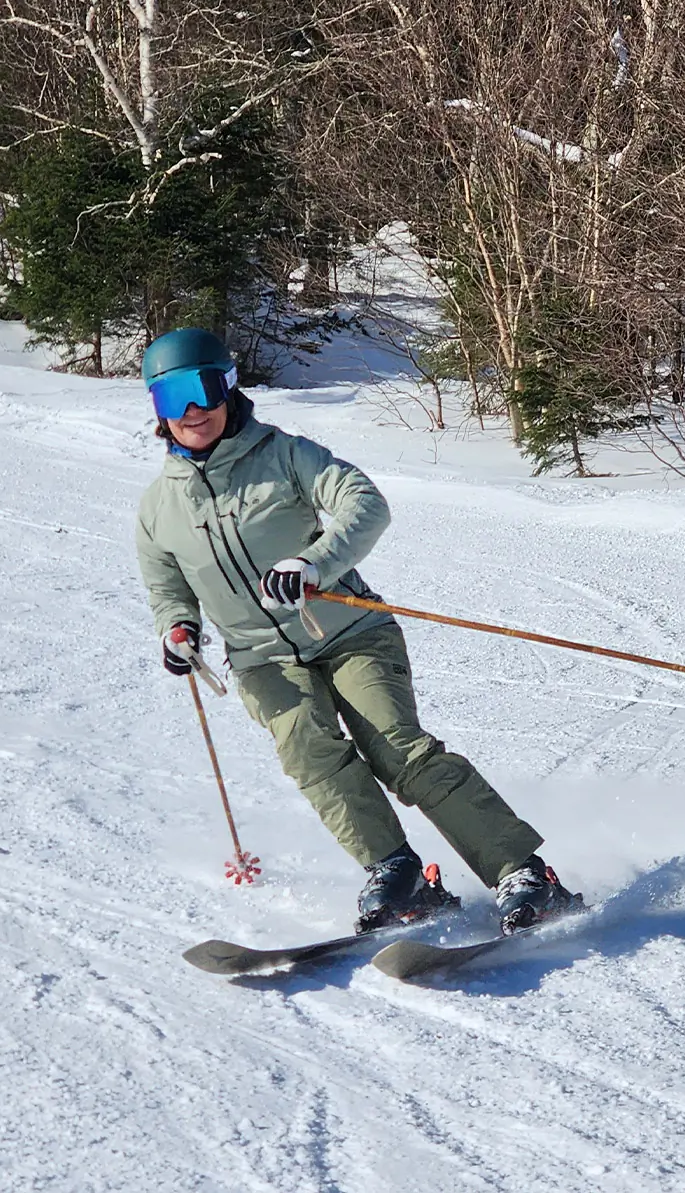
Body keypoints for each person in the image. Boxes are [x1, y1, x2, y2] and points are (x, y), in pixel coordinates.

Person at [135, 328, 579, 934]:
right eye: (173, 399)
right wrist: (178, 630)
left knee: (400, 750)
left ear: (228, 387)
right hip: (263, 661)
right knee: (310, 752)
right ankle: (395, 873)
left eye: (203, 390)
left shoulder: (285, 455)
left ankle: (524, 874)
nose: (193, 412)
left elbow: (364, 501)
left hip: (350, 632)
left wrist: (314, 562)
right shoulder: (159, 506)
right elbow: (167, 587)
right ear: (157, 410)